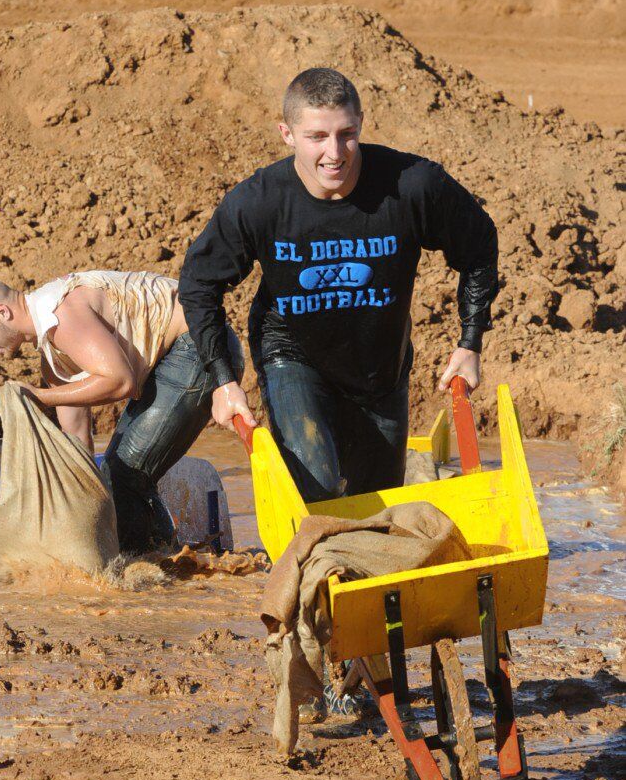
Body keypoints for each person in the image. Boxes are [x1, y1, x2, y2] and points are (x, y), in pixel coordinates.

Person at [178, 67, 498, 718]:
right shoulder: (260, 201)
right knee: (322, 492)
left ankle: (363, 655)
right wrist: (223, 381)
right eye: (316, 137)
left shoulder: (411, 185)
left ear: (360, 128)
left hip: (379, 366)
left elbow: (478, 245)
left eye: (346, 135)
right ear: (287, 133)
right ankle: (319, 658)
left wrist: (468, 342)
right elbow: (199, 284)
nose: (333, 153)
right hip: (292, 357)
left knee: (372, 514)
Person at [0, 270, 242, 553]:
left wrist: (41, 397)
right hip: (177, 355)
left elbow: (120, 381)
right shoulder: (51, 351)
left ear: (3, 312)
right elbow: (77, 436)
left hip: (202, 348)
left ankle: (149, 575)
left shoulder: (61, 315)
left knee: (125, 476)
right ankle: (164, 563)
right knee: (116, 474)